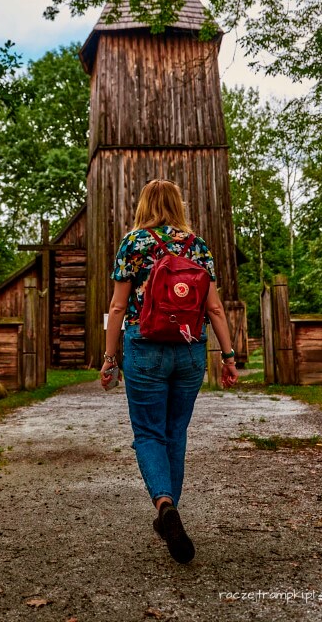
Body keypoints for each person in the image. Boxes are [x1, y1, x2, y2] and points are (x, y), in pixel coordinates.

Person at [100, 179, 238, 564]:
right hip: (191, 349)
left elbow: (116, 307)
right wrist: (228, 355)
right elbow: (214, 308)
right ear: (178, 204)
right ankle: (170, 511)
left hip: (143, 348)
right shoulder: (197, 246)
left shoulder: (133, 243)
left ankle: (164, 504)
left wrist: (110, 358)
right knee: (176, 432)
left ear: (144, 204)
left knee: (148, 432)